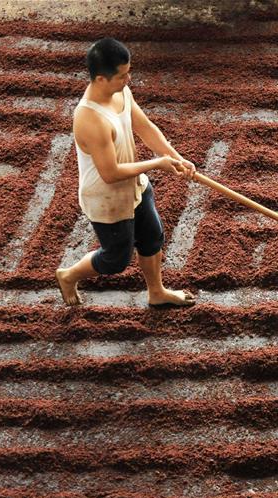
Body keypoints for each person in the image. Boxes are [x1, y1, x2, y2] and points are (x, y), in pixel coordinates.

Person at [56, 37, 197, 307]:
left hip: (135, 185)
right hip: (106, 199)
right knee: (116, 260)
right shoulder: (89, 119)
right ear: (100, 79)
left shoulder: (120, 93)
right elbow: (110, 173)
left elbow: (145, 128)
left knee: (152, 237)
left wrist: (177, 158)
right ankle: (69, 274)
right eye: (122, 75)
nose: (128, 79)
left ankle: (156, 292)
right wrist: (157, 164)